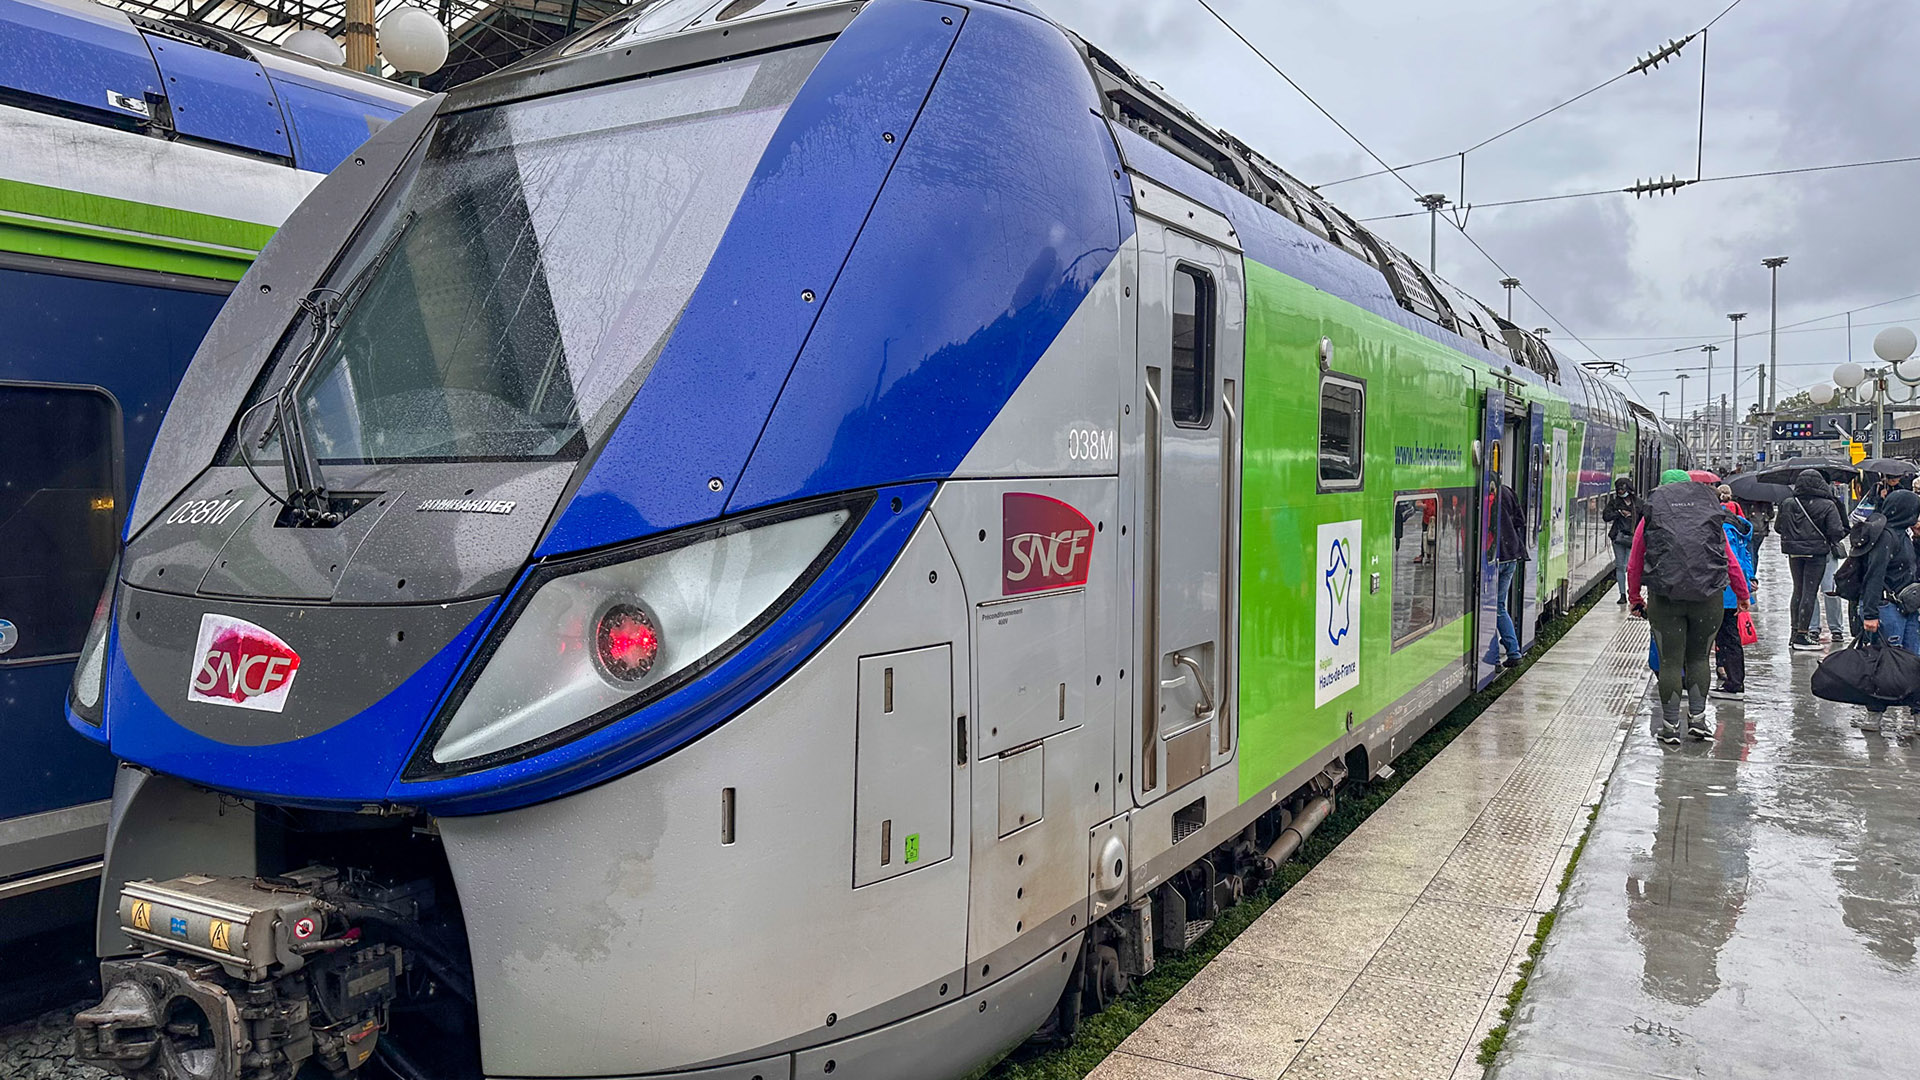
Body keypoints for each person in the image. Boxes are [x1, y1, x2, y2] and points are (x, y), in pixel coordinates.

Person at [1629, 469, 1751, 743]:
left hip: (1665, 598)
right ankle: (1698, 721)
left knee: (1671, 661)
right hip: (1708, 599)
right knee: (1699, 658)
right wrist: (1742, 594)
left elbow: (1635, 562)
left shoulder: (1653, 515)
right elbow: (1729, 560)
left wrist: (1635, 598)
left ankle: (1670, 726)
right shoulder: (1707, 515)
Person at [1855, 489, 1920, 738]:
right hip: (1887, 608)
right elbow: (1874, 576)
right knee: (1885, 663)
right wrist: (1870, 613)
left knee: (1913, 662)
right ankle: (1875, 713)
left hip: (1909, 608)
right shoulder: (1885, 537)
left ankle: (1916, 712)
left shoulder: (1904, 535)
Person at [1776, 468, 1849, 650]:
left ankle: (1794, 632)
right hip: (1816, 553)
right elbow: (1836, 531)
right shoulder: (1827, 504)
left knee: (1798, 590)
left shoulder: (1788, 503)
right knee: (1810, 591)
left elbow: (1778, 527)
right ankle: (1802, 634)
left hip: (1794, 552)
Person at [1711, 497, 1755, 701]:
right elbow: (1745, 558)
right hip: (1734, 589)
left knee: (1724, 636)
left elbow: (1730, 561)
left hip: (1722, 590)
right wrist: (1748, 582)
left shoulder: (1723, 529)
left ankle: (1733, 682)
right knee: (1729, 636)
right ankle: (1732, 678)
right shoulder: (1739, 529)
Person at [1488, 478, 1527, 668]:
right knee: (1499, 606)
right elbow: (1521, 520)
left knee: (1491, 607)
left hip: (1495, 557)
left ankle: (1497, 656)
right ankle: (1513, 651)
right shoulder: (1508, 491)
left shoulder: (1486, 494)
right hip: (1512, 554)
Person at [1604, 477, 1641, 604]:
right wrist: (1619, 513)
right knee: (1620, 566)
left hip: (1633, 539)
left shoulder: (1639, 504)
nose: (1621, 492)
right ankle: (1622, 594)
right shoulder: (1614, 503)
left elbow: (1645, 519)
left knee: (1629, 567)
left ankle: (1631, 592)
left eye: (1623, 490)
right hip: (1618, 538)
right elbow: (1606, 516)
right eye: (1619, 490)